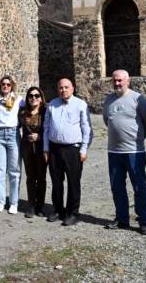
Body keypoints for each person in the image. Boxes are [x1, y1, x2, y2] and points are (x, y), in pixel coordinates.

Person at [102, 69, 146, 235]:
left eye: (120, 80)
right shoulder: (108, 100)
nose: (117, 83)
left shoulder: (138, 99)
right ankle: (122, 218)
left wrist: (137, 139)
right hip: (114, 152)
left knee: (139, 187)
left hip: (134, 151)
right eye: (114, 81)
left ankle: (143, 221)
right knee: (117, 187)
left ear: (128, 81)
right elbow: (107, 121)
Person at [43, 78, 93, 226]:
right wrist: (46, 149)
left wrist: (84, 149)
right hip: (54, 149)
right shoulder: (52, 105)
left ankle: (73, 213)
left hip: (73, 149)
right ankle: (58, 210)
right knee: (56, 182)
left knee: (73, 182)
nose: (63, 90)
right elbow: (46, 128)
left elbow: (87, 129)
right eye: (60, 88)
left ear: (73, 88)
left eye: (66, 87)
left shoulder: (80, 105)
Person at [0, 75, 23, 214]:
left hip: (14, 135)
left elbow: (29, 110)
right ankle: (0, 201)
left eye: (8, 84)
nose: (5, 86)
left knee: (14, 171)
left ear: (12, 86)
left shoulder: (19, 100)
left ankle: (14, 203)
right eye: (3, 84)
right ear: (0, 86)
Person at [18, 85, 47, 218]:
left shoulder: (46, 112)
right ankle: (31, 206)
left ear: (41, 98)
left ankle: (40, 206)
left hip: (41, 149)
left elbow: (50, 130)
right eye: (31, 96)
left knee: (41, 178)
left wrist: (39, 136)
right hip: (27, 149)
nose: (33, 98)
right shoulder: (22, 112)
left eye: (36, 96)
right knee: (30, 178)